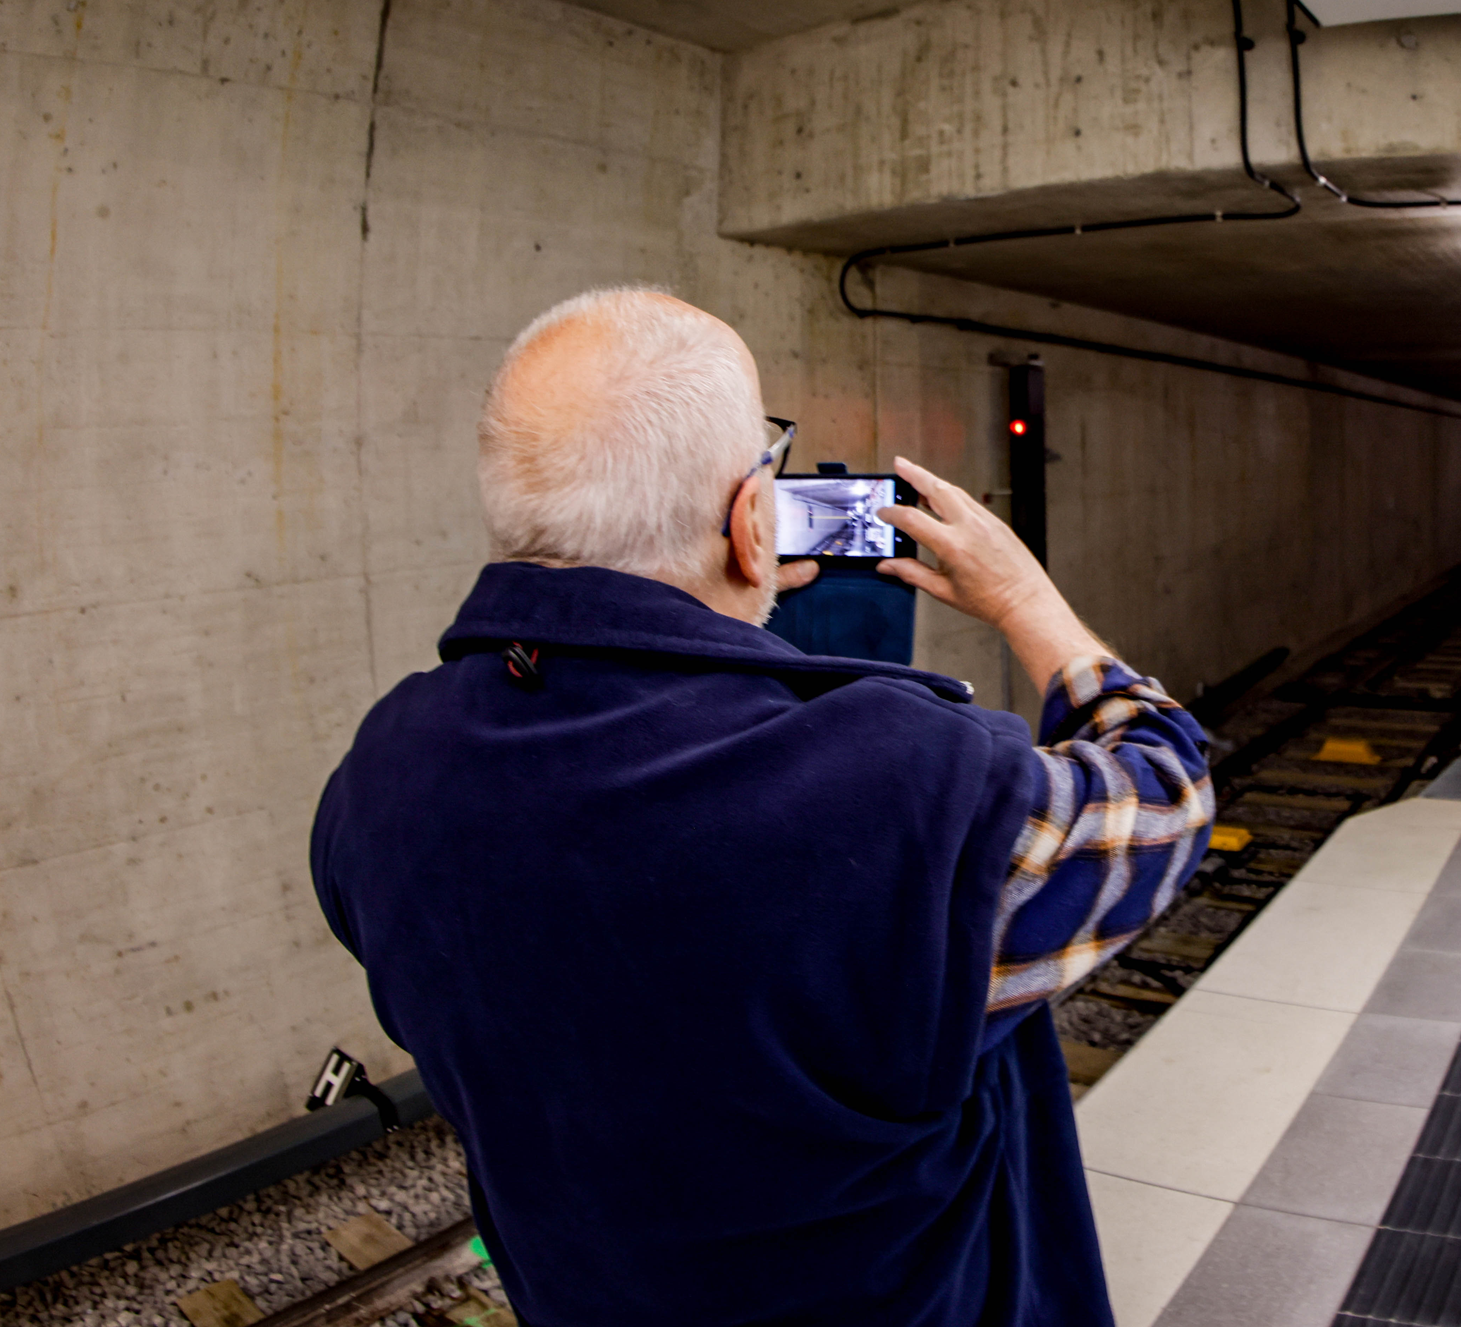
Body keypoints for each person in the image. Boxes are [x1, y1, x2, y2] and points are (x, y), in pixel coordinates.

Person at [310, 287, 1213, 1326]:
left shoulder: (381, 771)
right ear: (751, 518)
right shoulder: (906, 785)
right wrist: (1026, 601)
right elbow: (1166, 799)